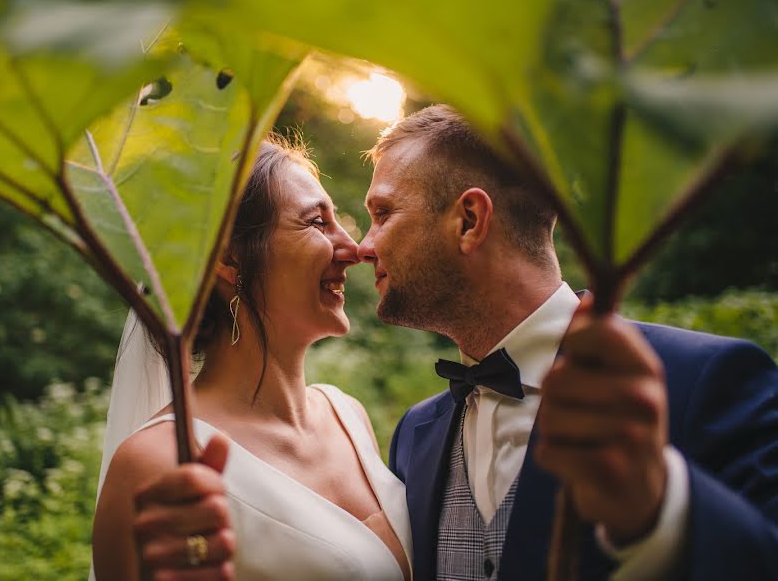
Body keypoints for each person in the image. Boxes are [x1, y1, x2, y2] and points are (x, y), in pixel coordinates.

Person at [134, 106, 778, 580]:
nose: (363, 245)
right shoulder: (416, 436)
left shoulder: (704, 381)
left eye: (384, 212)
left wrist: (658, 508)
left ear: (469, 220)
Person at [91, 136, 412, 581]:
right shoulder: (159, 460)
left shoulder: (346, 414)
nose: (355, 248)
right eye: (318, 223)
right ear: (229, 256)